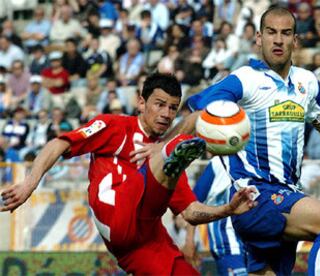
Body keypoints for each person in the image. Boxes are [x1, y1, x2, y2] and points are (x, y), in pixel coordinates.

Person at [131, 7, 320, 275]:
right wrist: (162, 147)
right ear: (259, 37)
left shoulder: (308, 84)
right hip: (257, 196)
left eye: (285, 33)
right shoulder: (245, 80)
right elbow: (199, 115)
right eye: (271, 32)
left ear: (295, 39)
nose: (278, 40)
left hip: (284, 196)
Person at [0, 73, 256, 275]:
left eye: (173, 108)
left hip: (146, 243)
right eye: (160, 104)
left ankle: (189, 133)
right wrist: (29, 184)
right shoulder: (114, 126)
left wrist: (227, 209)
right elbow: (59, 144)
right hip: (118, 218)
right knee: (197, 120)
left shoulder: (168, 167)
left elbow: (190, 212)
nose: (166, 113)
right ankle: (204, 124)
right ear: (141, 102)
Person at [184, 156, 248, 276]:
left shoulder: (257, 160)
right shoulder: (217, 163)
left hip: (254, 242)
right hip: (227, 243)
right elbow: (193, 203)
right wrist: (189, 241)